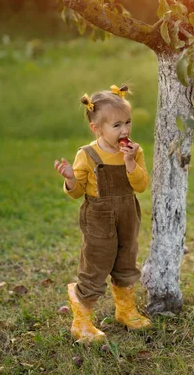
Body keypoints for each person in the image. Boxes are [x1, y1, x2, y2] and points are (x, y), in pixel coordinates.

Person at [54, 84, 152, 343]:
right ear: (96, 128)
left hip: (128, 213)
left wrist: (131, 162)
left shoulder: (134, 151)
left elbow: (141, 186)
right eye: (117, 125)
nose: (125, 130)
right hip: (99, 216)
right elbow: (77, 193)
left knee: (126, 258)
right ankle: (82, 322)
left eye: (128, 122)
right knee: (96, 263)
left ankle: (125, 310)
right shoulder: (87, 155)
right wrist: (71, 179)